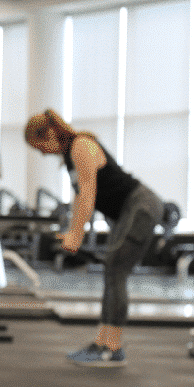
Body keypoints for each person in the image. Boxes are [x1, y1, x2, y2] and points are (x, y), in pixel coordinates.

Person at [24, 109, 163, 367]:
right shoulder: (70, 156)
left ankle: (113, 347)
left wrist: (77, 234)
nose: (43, 153)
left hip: (141, 206)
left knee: (116, 270)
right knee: (112, 270)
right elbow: (81, 198)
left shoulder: (81, 145)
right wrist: (73, 230)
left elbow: (88, 194)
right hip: (126, 212)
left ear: (51, 133)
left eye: (41, 145)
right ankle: (103, 342)